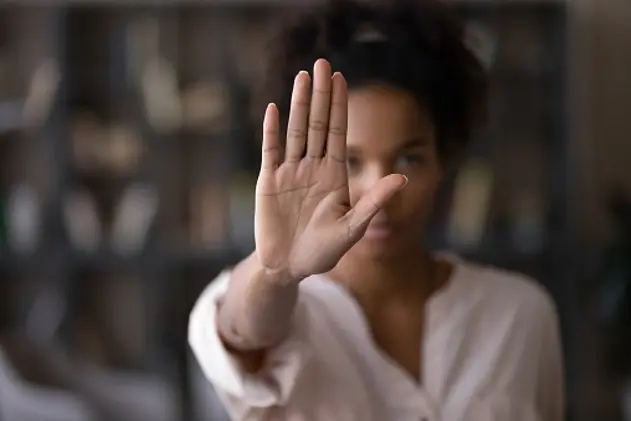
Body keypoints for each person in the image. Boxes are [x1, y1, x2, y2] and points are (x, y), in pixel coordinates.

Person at [188, 0, 564, 420]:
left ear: (445, 160)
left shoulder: (519, 316)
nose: (378, 194)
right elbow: (242, 329)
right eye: (349, 162)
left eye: (408, 159)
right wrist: (275, 271)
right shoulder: (280, 303)